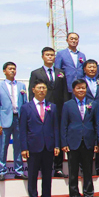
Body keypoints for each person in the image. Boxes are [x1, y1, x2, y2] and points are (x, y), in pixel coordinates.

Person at [19, 79, 60, 197]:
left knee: (47, 176)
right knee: (32, 176)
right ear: (33, 90)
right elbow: (23, 129)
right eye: (39, 88)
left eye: (44, 88)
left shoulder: (52, 106)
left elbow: (55, 127)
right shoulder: (26, 107)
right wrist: (24, 147)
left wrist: (57, 145)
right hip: (33, 146)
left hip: (48, 146)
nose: (41, 90)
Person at [29, 47, 68, 177]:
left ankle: (58, 167)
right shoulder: (36, 73)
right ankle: (43, 166)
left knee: (58, 136)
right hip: (42, 108)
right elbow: (31, 92)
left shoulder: (60, 72)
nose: (50, 57)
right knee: (43, 135)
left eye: (52, 55)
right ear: (42, 57)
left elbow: (64, 92)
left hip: (58, 109)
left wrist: (65, 108)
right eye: (47, 55)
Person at [61, 79, 98, 197]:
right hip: (73, 142)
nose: (81, 90)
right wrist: (64, 142)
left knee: (88, 171)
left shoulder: (92, 104)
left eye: (83, 88)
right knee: (73, 172)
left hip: (88, 142)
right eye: (78, 88)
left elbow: (96, 124)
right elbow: (64, 125)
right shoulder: (68, 105)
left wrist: (96, 142)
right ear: (73, 90)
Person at [0, 62, 27, 180]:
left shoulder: (21, 86)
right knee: (3, 146)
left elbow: (25, 104)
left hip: (18, 118)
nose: (12, 71)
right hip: (5, 120)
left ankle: (19, 171)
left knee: (18, 146)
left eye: (14, 69)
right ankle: (1, 171)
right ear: (4, 71)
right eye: (10, 69)